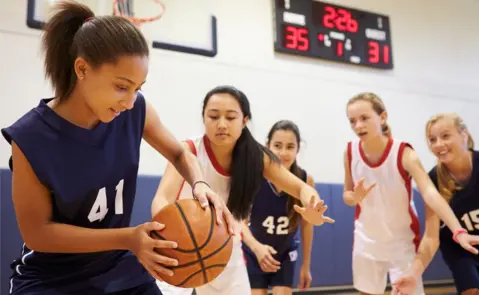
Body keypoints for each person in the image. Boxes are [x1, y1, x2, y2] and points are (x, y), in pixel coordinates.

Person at [1, 1, 234, 294]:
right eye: (122, 86)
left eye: (138, 88)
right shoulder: (31, 137)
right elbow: (38, 234)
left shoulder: (135, 110)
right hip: (51, 278)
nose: (130, 100)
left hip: (117, 266)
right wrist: (128, 238)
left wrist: (199, 183)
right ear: (82, 69)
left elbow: (179, 153)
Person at [152, 86, 333, 295]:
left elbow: (301, 187)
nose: (221, 124)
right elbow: (161, 199)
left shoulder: (255, 157)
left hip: (225, 250)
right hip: (180, 248)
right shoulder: (188, 150)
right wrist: (169, 233)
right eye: (213, 116)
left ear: (244, 120)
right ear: (203, 118)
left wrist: (312, 205)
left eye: (230, 117)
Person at [343, 93, 479, 295]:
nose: (358, 125)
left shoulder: (404, 153)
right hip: (367, 240)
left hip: (402, 241)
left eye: (364, 118)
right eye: (352, 121)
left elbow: (431, 195)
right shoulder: (350, 151)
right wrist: (353, 197)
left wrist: (457, 230)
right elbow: (347, 193)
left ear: (382, 117)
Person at [392, 113, 479, 295]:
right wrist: (414, 274)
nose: (438, 144)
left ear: (464, 135)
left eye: (446, 136)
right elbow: (432, 237)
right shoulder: (432, 180)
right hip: (460, 249)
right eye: (432, 140)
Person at [241, 120, 314, 295]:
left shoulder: (304, 179)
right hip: (255, 251)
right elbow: (240, 221)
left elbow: (307, 224)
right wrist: (256, 247)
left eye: (290, 147)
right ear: (267, 146)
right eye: (277, 145)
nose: (283, 152)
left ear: (298, 149)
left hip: (285, 253)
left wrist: (306, 265)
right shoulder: (254, 176)